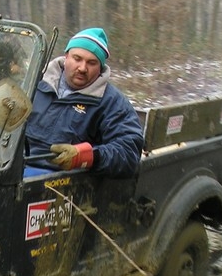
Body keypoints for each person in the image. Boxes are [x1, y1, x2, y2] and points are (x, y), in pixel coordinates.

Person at [25, 28, 144, 178]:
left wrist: (87, 156)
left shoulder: (111, 102)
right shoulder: (34, 82)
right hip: (13, 168)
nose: (82, 68)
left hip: (61, 180)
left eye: (92, 63)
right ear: (66, 56)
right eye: (77, 58)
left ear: (100, 67)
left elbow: (129, 152)